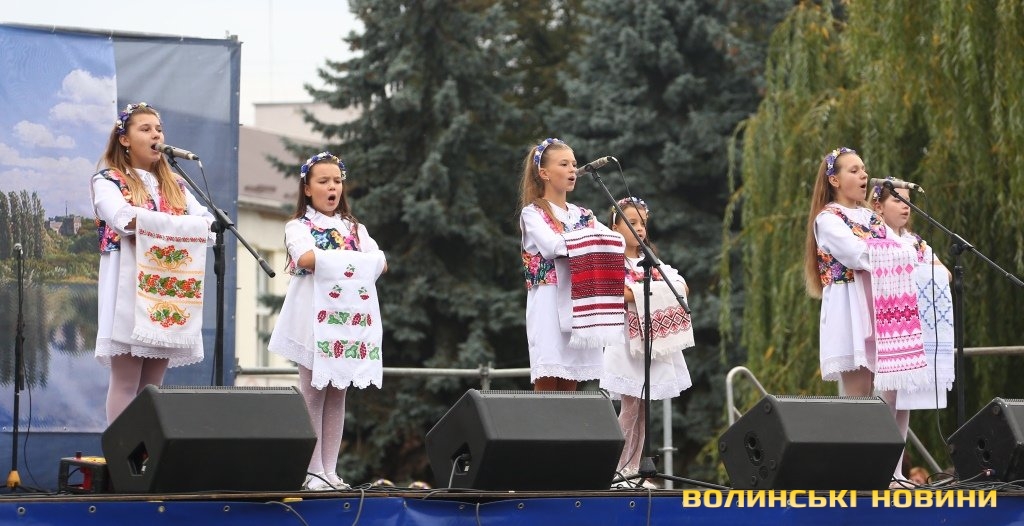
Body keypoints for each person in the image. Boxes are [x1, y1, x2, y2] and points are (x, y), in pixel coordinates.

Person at [803, 147, 929, 485]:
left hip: (885, 308)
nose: (863, 176)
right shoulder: (828, 219)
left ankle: (894, 473)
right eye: (854, 170)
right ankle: (857, 474)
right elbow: (858, 254)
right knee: (858, 396)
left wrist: (908, 250)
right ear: (834, 180)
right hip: (851, 309)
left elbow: (905, 245)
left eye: (863, 169)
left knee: (894, 393)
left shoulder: (871, 218)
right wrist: (901, 250)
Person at [268, 152, 387, 491]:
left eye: (337, 181)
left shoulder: (354, 228)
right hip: (312, 319)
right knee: (314, 390)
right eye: (323, 181)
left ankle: (330, 470)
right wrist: (356, 260)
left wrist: (338, 260)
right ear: (307, 188)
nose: (332, 187)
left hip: (347, 321)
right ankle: (312, 471)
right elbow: (305, 257)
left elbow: (381, 262)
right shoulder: (298, 226)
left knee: (338, 393)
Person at [91, 102, 213, 425]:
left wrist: (161, 225)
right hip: (127, 287)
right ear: (124, 139)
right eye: (145, 129)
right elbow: (122, 217)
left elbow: (208, 223)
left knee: (151, 389)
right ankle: (122, 454)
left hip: (166, 291)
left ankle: (145, 454)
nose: (156, 135)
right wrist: (177, 225)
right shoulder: (108, 181)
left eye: (158, 129)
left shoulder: (176, 185)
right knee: (126, 381)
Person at [600, 197, 693, 487]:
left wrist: (643, 290)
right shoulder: (611, 259)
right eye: (632, 222)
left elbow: (680, 286)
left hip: (649, 341)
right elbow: (619, 293)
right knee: (630, 407)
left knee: (642, 409)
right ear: (615, 226)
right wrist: (652, 290)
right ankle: (616, 470)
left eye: (642, 223)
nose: (639, 229)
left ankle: (634, 469)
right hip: (625, 342)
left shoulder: (651, 261)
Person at [519, 138, 623, 392]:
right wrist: (590, 238)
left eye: (574, 164)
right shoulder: (533, 213)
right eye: (564, 164)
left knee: (571, 380)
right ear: (544, 173)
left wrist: (590, 238)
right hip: (548, 302)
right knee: (549, 374)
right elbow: (552, 246)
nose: (572, 170)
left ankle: (567, 420)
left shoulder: (582, 214)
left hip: (579, 302)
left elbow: (614, 240)